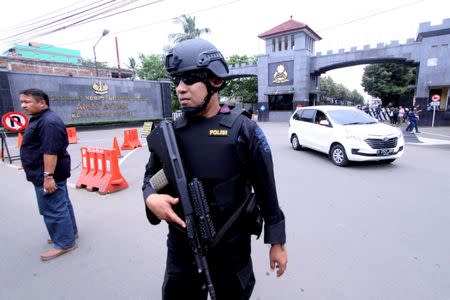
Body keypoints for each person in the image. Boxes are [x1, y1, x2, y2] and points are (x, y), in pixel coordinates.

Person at [142, 39, 287, 300]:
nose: (180, 89)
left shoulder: (244, 130)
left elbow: (267, 190)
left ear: (215, 81)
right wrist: (150, 197)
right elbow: (152, 179)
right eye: (177, 81)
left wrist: (277, 242)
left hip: (231, 248)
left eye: (189, 80)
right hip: (182, 247)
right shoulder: (169, 134)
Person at [19, 88, 78, 261]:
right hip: (46, 171)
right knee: (61, 204)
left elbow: (50, 151)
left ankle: (65, 242)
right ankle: (69, 233)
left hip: (48, 174)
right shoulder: (40, 119)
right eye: (22, 101)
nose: (23, 105)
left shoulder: (48, 122)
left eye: (27, 102)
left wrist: (48, 176)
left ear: (42, 103)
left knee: (53, 208)